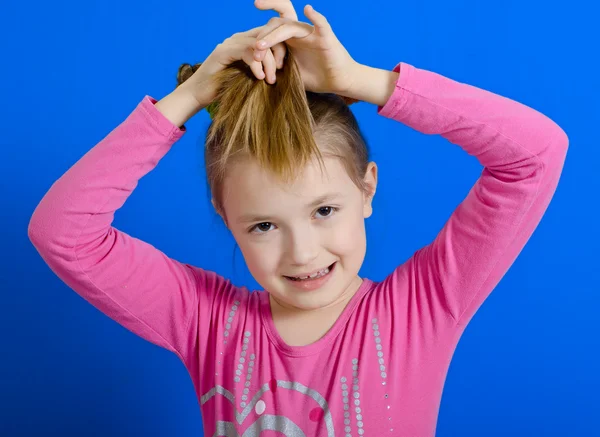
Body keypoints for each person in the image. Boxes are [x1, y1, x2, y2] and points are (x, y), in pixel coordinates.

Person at [28, 1, 569, 435]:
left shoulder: (422, 308)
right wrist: (191, 95)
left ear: (367, 189)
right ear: (226, 217)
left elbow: (536, 154)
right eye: (264, 225)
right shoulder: (206, 322)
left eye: (325, 210)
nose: (303, 252)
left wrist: (362, 81)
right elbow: (63, 232)